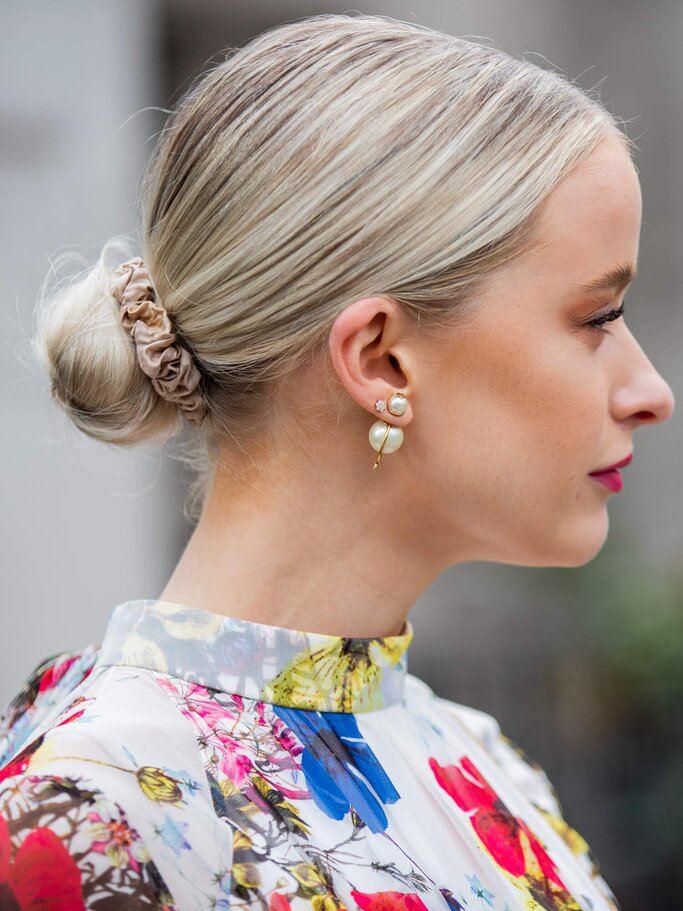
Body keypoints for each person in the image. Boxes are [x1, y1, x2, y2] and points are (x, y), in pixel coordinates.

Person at [0, 12, 674, 911]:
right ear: (381, 360)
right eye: (595, 318)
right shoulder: (92, 811)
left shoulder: (480, 761)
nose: (650, 391)